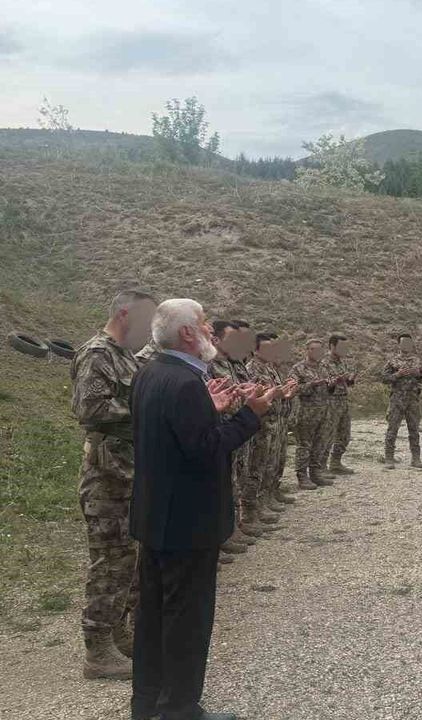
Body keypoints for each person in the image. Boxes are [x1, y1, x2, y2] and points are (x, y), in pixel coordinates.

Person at [130, 298, 273, 720]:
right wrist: (250, 415)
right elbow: (205, 450)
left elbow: (174, 437)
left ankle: (147, 703)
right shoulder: (186, 383)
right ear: (188, 333)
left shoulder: (151, 372)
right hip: (188, 523)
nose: (211, 329)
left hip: (156, 517)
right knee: (186, 620)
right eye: (205, 322)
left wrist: (209, 411)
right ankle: (179, 708)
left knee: (153, 616)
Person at [70, 289, 157, 680]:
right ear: (124, 314)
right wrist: (146, 408)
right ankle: (97, 650)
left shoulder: (126, 355)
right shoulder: (97, 354)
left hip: (128, 471)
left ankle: (118, 635)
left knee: (127, 559)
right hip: (106, 477)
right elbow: (89, 408)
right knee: (110, 561)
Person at [209, 321, 259, 558]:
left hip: (237, 427)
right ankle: (220, 537)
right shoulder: (208, 365)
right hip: (222, 430)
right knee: (221, 485)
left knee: (236, 478)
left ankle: (232, 528)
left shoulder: (232, 363)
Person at [244, 333, 297, 532]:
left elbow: (275, 392)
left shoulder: (269, 368)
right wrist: (277, 393)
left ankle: (267, 499)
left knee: (272, 463)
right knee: (257, 467)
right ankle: (250, 512)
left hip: (275, 422)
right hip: (262, 424)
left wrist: (285, 392)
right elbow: (256, 395)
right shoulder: (252, 369)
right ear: (255, 350)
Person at [289, 339, 333, 490]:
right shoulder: (298, 368)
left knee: (320, 443)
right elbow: (293, 389)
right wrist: (311, 384)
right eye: (314, 349)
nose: (317, 352)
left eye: (320, 350)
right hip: (306, 413)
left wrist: (331, 384)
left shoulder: (324, 367)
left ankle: (315, 473)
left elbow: (328, 388)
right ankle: (302, 476)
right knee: (304, 445)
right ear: (307, 350)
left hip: (323, 412)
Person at [380, 333, 422, 468]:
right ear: (399, 345)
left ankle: (416, 458)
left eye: (409, 343)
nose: (406, 345)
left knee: (414, 429)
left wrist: (418, 375)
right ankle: (389, 458)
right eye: (404, 343)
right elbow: (383, 378)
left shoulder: (417, 361)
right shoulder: (392, 361)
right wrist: (397, 374)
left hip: (413, 399)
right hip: (397, 399)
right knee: (392, 429)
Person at [318, 333, 356, 477]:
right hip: (330, 401)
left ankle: (335, 462)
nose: (344, 350)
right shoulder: (323, 363)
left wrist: (350, 379)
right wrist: (336, 380)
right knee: (327, 434)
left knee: (344, 433)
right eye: (341, 347)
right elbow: (323, 383)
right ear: (332, 346)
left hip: (343, 400)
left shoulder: (342, 362)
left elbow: (347, 383)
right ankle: (321, 466)